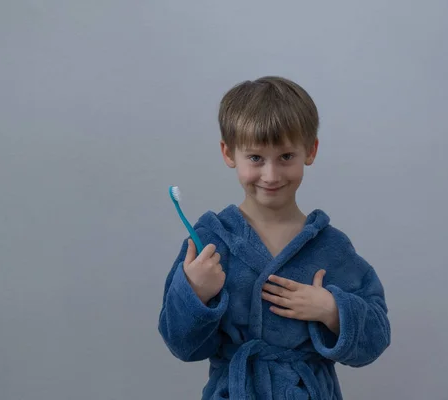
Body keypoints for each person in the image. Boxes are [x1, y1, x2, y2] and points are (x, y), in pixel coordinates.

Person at [158, 76, 391, 399]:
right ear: (229, 154)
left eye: (285, 157)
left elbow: (376, 339)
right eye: (255, 158)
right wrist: (195, 294)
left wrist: (332, 310)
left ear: (310, 151)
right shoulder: (209, 242)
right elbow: (182, 345)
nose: (271, 175)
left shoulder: (331, 246)